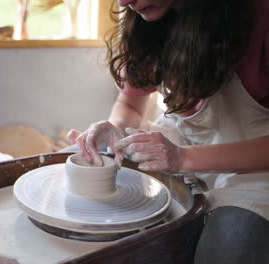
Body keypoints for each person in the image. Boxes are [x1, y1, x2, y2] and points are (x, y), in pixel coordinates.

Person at [67, 0, 269, 263]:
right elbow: (130, 103)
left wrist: (183, 159)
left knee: (229, 245)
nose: (124, 2)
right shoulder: (148, 22)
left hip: (255, 165)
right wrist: (114, 127)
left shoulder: (260, 19)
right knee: (78, 157)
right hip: (180, 139)